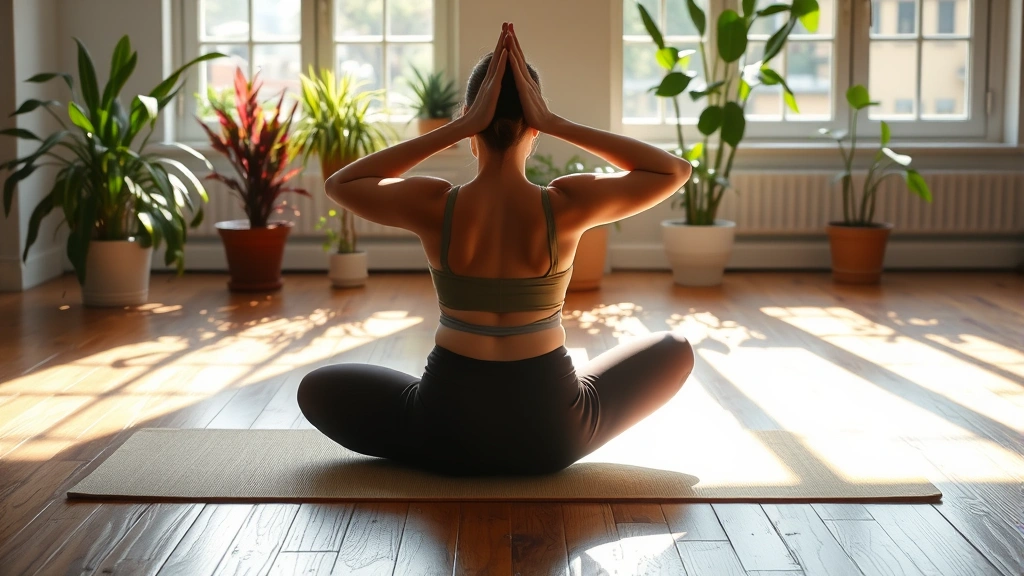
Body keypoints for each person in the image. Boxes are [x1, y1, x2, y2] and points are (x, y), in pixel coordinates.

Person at [298, 22, 694, 476]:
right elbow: (673, 171)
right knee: (675, 346)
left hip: (444, 429)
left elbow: (342, 183)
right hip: (552, 434)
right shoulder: (565, 205)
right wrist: (555, 120)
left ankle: (446, 448)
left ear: (471, 124)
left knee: (316, 386)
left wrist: (458, 125)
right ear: (534, 129)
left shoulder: (434, 205)